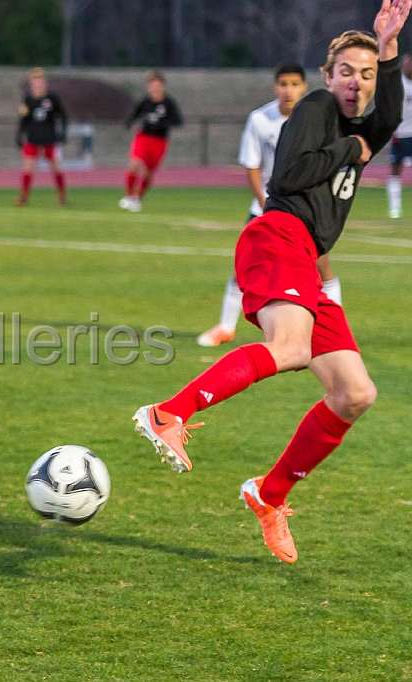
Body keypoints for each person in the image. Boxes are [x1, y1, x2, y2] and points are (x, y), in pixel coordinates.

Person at [133, 0, 410, 565]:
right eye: (346, 72)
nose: (357, 83)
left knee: (355, 392)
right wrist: (347, 150)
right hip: (276, 236)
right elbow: (286, 176)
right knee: (288, 348)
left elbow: (386, 118)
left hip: (304, 259)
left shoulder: (363, 122)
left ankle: (270, 494)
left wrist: (389, 50)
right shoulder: (313, 109)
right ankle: (170, 412)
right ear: (327, 76)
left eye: (367, 75)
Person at [198, 64, 345, 348]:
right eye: (283, 84)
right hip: (267, 208)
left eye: (294, 84)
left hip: (306, 210)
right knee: (243, 268)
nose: (288, 90)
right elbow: (252, 166)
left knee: (321, 265)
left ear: (304, 87)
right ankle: (226, 327)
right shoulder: (259, 119)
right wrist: (266, 204)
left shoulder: (317, 120)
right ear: (275, 87)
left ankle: (335, 325)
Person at [119, 71, 183, 213]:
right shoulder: (145, 101)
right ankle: (129, 196)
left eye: (158, 86)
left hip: (159, 142)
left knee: (148, 173)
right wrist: (129, 122)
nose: (155, 89)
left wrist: (163, 123)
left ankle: (137, 199)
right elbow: (135, 114)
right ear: (149, 87)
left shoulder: (169, 103)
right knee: (134, 163)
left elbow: (178, 121)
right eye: (152, 86)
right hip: (143, 137)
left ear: (163, 86)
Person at [16, 67, 68, 206]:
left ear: (45, 82)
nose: (38, 83)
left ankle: (62, 195)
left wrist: (63, 133)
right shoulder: (27, 99)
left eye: (40, 80)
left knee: (56, 168)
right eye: (35, 80)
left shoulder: (52, 98)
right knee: (27, 168)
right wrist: (19, 135)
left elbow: (62, 116)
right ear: (31, 83)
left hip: (49, 138)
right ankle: (24, 197)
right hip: (33, 138)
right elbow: (23, 119)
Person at [386, 53, 412, 218]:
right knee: (395, 170)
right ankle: (395, 209)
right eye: (407, 63)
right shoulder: (397, 85)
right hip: (399, 134)